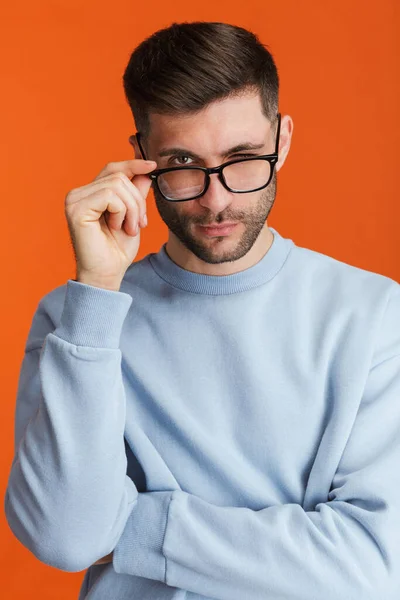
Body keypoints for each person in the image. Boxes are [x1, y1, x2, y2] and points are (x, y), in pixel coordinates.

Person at [4, 20, 400, 600]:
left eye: (243, 158)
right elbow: (65, 538)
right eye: (183, 162)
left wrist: (133, 525)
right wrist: (96, 294)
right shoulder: (79, 317)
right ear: (141, 159)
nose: (217, 200)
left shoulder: (374, 315)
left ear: (282, 141)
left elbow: (370, 570)